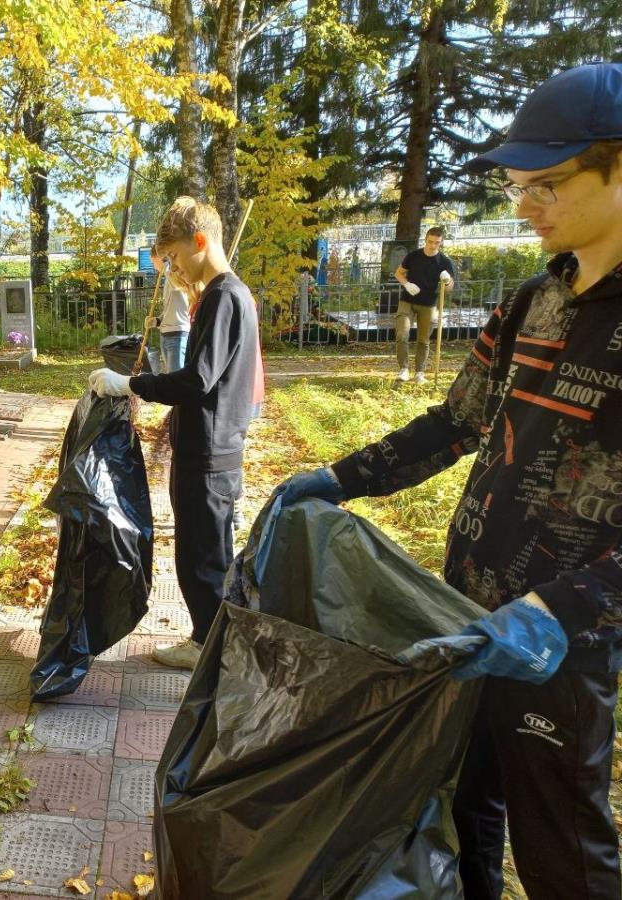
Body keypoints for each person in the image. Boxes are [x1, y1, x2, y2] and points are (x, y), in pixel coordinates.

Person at [275, 63, 622, 899]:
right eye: (514, 184)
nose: (523, 203)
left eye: (547, 182)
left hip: (556, 652)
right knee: (463, 812)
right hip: (465, 621)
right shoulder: (535, 300)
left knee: (563, 851)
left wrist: (556, 613)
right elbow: (455, 424)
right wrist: (339, 477)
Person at [88, 197, 258, 670]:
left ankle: (208, 648)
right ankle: (214, 640)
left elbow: (197, 379)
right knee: (209, 555)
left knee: (200, 560)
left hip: (208, 455)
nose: (177, 271)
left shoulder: (223, 296)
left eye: (177, 259)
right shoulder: (228, 295)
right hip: (215, 449)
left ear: (200, 241)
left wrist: (131, 384)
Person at [393, 226, 455, 384]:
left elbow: (449, 288)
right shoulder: (413, 256)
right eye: (430, 241)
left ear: (441, 243)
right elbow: (398, 273)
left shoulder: (445, 262)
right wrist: (406, 284)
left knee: (424, 340)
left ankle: (419, 372)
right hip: (407, 300)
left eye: (437, 243)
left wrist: (447, 280)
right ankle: (404, 370)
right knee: (402, 334)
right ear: (425, 239)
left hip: (429, 304)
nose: (433, 245)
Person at [147, 254, 192, 374]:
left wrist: (166, 264)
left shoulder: (174, 274)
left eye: (153, 262)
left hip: (177, 334)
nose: (153, 266)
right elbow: (171, 309)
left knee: (176, 378)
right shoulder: (167, 278)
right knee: (170, 376)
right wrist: (157, 321)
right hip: (166, 333)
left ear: (158, 257)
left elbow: (178, 284)